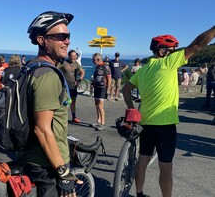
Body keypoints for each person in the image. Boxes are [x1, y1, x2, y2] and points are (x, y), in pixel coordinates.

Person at [122, 26, 215, 197]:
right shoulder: (168, 63)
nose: (174, 53)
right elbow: (197, 45)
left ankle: (139, 193)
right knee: (165, 166)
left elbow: (125, 90)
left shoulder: (142, 71)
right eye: (172, 50)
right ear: (163, 50)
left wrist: (131, 110)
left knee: (142, 160)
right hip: (165, 124)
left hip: (146, 123)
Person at [20, 11, 82, 197]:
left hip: (31, 156)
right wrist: (64, 174)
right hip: (48, 165)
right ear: (42, 40)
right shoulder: (47, 76)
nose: (67, 41)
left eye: (68, 36)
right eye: (61, 36)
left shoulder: (30, 67)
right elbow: (43, 130)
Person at [58, 49, 85, 123]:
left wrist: (79, 80)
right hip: (65, 85)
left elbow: (82, 72)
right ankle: (61, 117)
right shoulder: (63, 62)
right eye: (72, 56)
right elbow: (56, 69)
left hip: (73, 85)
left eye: (75, 56)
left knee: (73, 102)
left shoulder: (76, 64)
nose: (74, 57)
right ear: (69, 56)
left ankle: (74, 117)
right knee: (64, 101)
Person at [91, 53, 111, 131]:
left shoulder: (106, 67)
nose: (93, 61)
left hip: (103, 88)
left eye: (94, 60)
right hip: (96, 87)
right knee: (96, 105)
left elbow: (109, 79)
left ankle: (103, 123)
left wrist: (108, 90)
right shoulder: (97, 67)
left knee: (100, 106)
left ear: (98, 59)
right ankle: (98, 120)